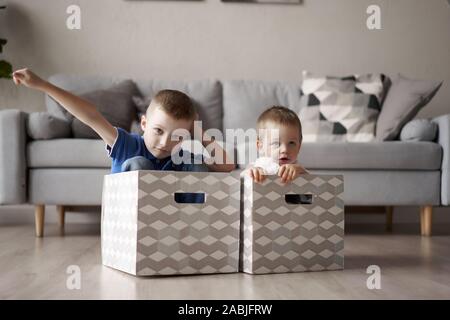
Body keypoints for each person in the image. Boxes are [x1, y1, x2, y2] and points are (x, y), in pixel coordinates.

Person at [12, 69, 236, 177]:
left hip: (176, 223)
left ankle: (195, 223)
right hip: (134, 220)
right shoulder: (127, 144)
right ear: (144, 123)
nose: (165, 142)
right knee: (140, 163)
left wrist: (198, 131)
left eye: (178, 136)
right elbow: (90, 115)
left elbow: (227, 166)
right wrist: (43, 85)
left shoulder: (181, 156)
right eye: (158, 130)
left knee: (198, 166)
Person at [247, 106, 308, 184]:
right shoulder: (261, 165)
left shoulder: (296, 167)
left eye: (291, 143)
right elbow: (243, 176)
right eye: (276, 143)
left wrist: (300, 170)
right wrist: (254, 171)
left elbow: (313, 184)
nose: (285, 149)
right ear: (260, 146)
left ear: (299, 146)